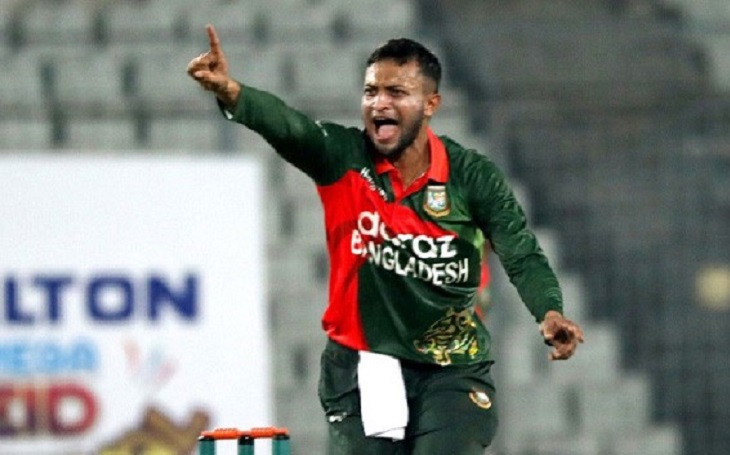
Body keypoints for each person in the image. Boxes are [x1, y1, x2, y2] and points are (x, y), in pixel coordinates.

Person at [187, 25, 584, 455]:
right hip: (359, 365)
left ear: (430, 104)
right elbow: (290, 128)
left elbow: (521, 253)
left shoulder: (472, 176)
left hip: (451, 369)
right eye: (371, 91)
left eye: (396, 92)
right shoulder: (341, 156)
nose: (379, 103)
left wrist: (549, 310)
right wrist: (230, 91)